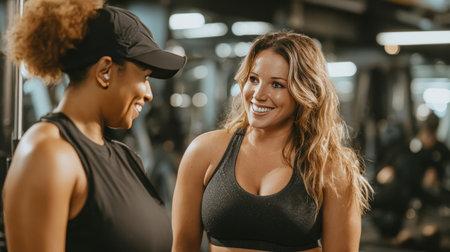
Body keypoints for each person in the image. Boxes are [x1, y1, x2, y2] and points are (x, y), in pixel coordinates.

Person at [2, 0, 186, 251]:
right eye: (144, 77)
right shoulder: (48, 154)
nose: (149, 93)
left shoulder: (127, 158)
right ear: (105, 71)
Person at [172, 31, 373, 252]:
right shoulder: (204, 152)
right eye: (253, 79)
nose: (258, 94)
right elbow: (183, 247)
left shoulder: (331, 168)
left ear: (304, 92)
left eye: (276, 85)